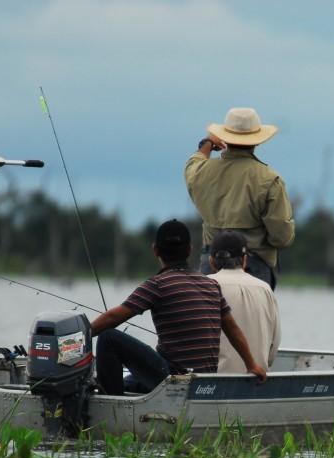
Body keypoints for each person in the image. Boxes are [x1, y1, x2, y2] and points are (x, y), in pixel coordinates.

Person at [89, 219, 266, 395]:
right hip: (205, 382)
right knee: (129, 382)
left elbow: (112, 318)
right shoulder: (211, 285)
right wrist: (252, 365)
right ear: (189, 250)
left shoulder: (157, 284)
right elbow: (233, 329)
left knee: (108, 338)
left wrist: (80, 336)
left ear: (155, 250)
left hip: (174, 380)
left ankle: (112, 407)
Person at [185, 107, 295, 290]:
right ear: (257, 141)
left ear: (225, 138)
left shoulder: (200, 172)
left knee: (210, 318)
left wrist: (207, 144)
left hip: (210, 267)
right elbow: (281, 238)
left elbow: (192, 164)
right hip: (253, 268)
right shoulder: (269, 179)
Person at [207, 231, 281, 373]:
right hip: (257, 382)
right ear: (245, 260)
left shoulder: (205, 285)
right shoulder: (265, 289)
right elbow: (272, 353)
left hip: (212, 385)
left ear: (211, 262)